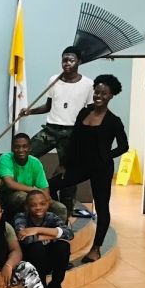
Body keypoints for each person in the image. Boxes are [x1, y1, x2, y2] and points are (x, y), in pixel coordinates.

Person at [48, 74, 128, 263]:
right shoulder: (85, 113)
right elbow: (74, 139)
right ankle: (59, 222)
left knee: (101, 207)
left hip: (101, 169)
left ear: (111, 96)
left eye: (104, 93)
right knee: (51, 185)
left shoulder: (113, 121)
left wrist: (105, 157)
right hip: (79, 165)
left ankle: (96, 248)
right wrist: (63, 163)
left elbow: (124, 146)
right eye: (97, 92)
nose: (99, 95)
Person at [20, 46, 94, 216]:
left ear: (79, 62)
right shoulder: (54, 79)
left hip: (72, 134)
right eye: (64, 60)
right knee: (25, 154)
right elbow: (48, 106)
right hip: (51, 129)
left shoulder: (88, 84)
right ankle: (25, 194)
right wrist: (30, 111)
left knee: (69, 174)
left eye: (71, 60)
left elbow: (90, 112)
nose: (67, 63)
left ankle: (66, 212)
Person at [13, 190, 74, 288]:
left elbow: (69, 234)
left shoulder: (51, 217)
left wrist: (36, 229)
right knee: (37, 247)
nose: (38, 208)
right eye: (33, 205)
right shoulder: (20, 217)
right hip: (31, 261)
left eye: (42, 204)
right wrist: (54, 234)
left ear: (47, 204)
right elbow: (25, 239)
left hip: (48, 259)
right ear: (27, 207)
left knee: (63, 246)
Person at [0, 133, 67, 222]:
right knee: (23, 198)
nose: (21, 150)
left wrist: (45, 199)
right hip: (8, 197)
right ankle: (25, 228)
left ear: (30, 148)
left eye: (24, 146)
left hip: (32, 196)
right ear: (12, 148)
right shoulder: (5, 158)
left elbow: (44, 187)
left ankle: (59, 232)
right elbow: (10, 184)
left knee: (60, 208)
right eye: (17, 147)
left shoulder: (35, 162)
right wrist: (34, 191)